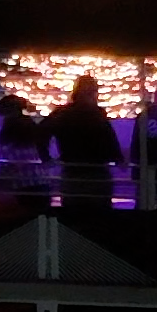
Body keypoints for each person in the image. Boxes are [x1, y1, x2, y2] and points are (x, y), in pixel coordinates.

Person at [48, 73, 124, 213]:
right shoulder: (97, 114)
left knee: (73, 216)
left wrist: (45, 156)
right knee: (99, 216)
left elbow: (43, 132)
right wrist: (119, 159)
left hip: (73, 171)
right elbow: (109, 137)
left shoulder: (63, 113)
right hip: (97, 172)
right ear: (93, 93)